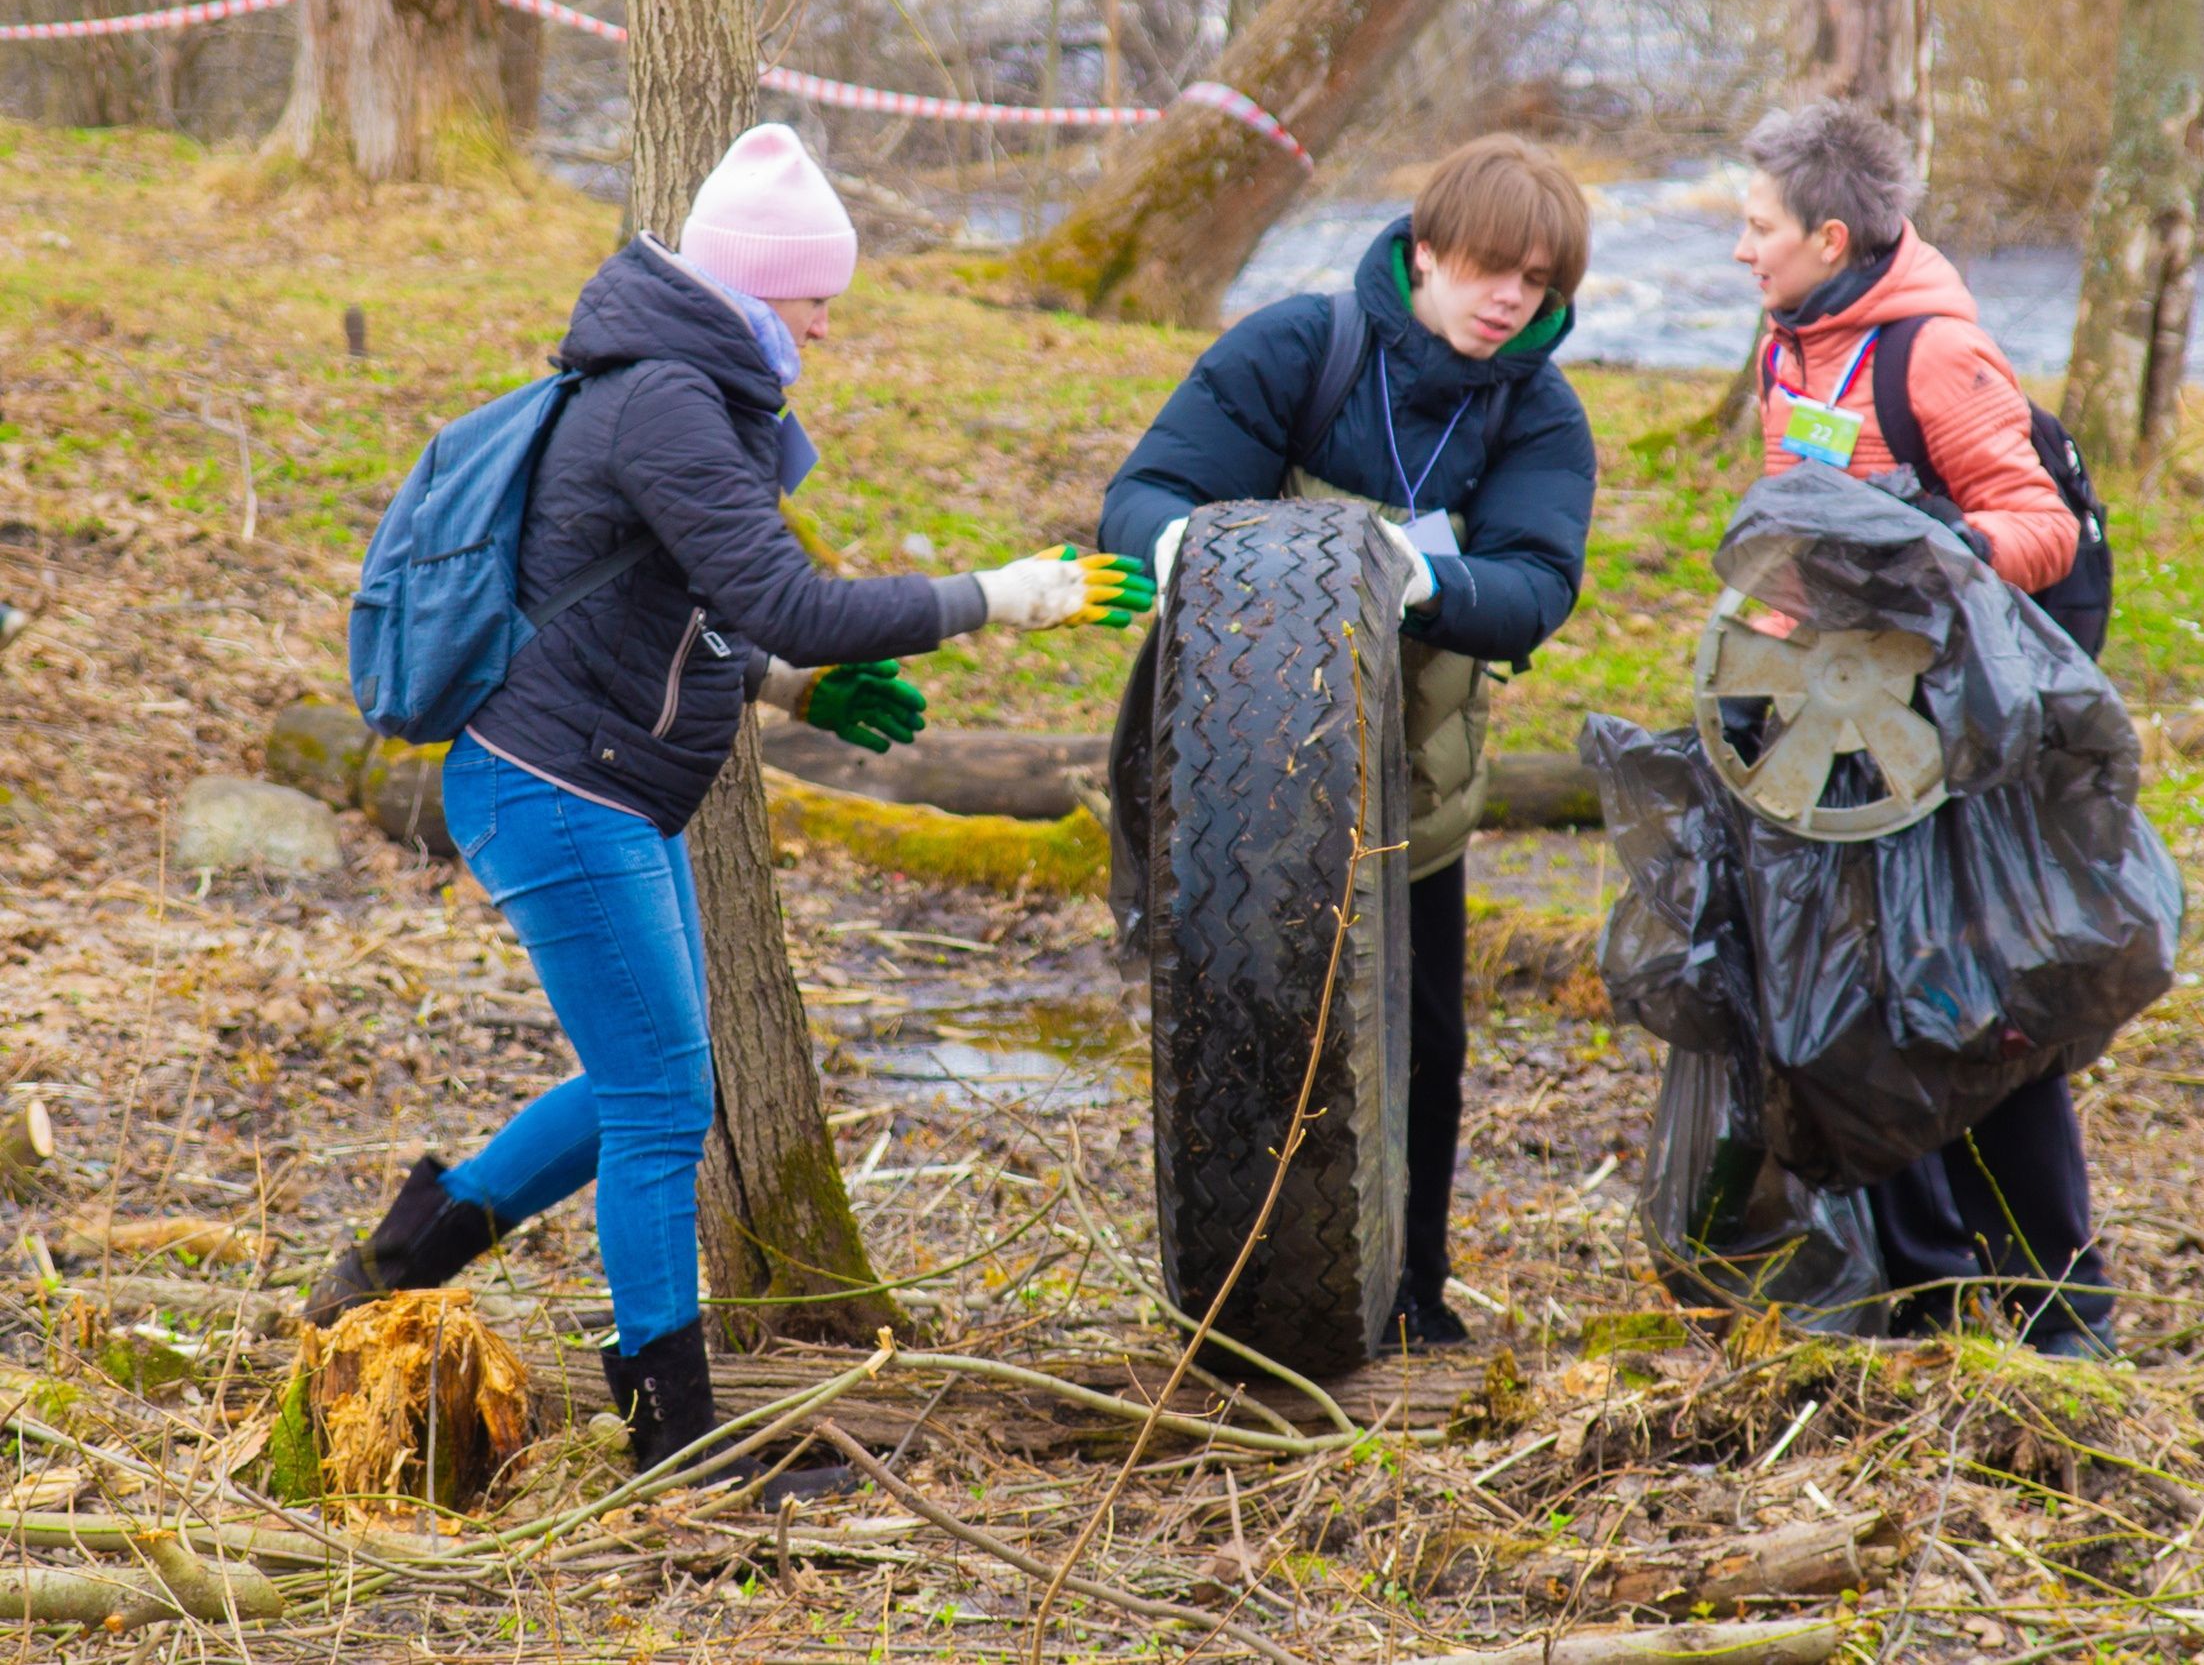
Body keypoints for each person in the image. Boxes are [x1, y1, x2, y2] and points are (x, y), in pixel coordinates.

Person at [305, 124, 1153, 1498]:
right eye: (815, 289)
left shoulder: (697, 391)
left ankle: (395, 1259)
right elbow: (785, 598)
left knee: (644, 1075)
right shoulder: (667, 402)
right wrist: (1000, 594)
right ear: (754, 284)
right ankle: (673, 1436)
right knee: (664, 1100)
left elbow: (668, 616)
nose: (831, 313)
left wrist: (796, 698)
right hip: (554, 787)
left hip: (596, 787)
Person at [1099, 134, 1598, 1347]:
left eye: (1537, 284)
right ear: (1424, 250)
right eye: (1489, 268)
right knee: (1240, 1018)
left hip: (1413, 782)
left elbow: (1536, 582)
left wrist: (1406, 579)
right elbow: (1145, 500)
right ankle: (1233, 1277)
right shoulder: (1299, 351)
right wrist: (1223, 567)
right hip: (1241, 790)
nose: (1509, 301)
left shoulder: (1537, 412)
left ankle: (1414, 1289)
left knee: (1424, 1043)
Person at [1731, 98, 2114, 1360]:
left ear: (1829, 237)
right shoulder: (1790, 339)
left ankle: (2061, 1310)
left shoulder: (1935, 355)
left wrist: (1940, 548)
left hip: (1953, 743)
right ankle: (1930, 1297)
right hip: (1836, 735)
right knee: (1856, 1010)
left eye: (1758, 228)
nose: (1742, 250)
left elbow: (2036, 522)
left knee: (1980, 1009)